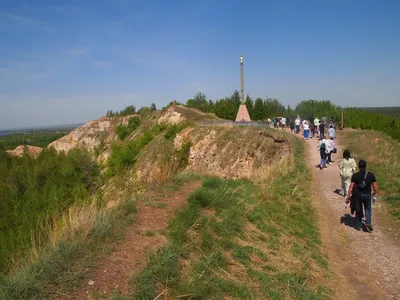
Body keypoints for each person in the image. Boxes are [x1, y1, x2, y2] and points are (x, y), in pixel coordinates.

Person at [346, 160, 378, 232]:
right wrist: (375, 192)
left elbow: (351, 186)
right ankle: (368, 223)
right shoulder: (371, 175)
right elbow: (374, 185)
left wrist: (348, 195)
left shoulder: (355, 176)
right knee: (368, 209)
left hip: (358, 195)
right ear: (366, 166)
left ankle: (358, 226)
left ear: (358, 166)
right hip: (367, 194)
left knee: (358, 209)